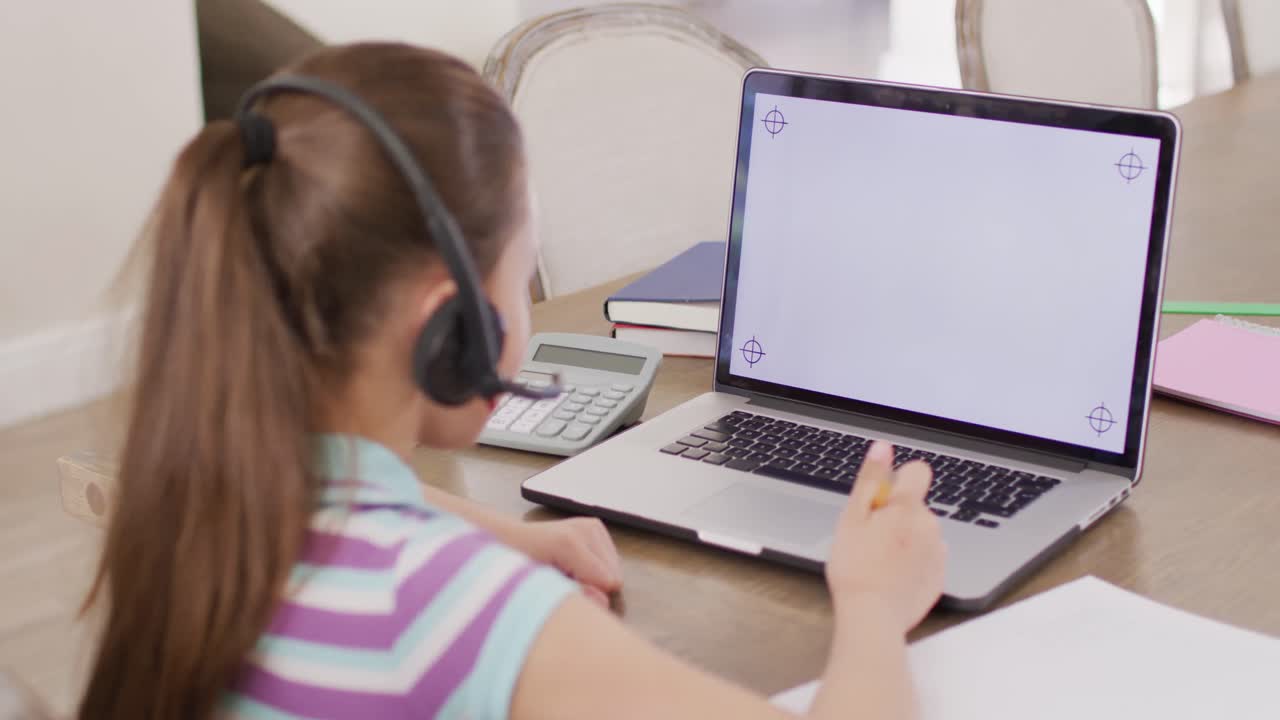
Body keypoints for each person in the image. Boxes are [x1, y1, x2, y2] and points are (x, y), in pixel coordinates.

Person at [78, 42, 945, 720]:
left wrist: (509, 533)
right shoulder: (446, 607)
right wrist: (872, 605)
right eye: (522, 273)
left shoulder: (197, 492)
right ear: (451, 326)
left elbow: (323, 493)